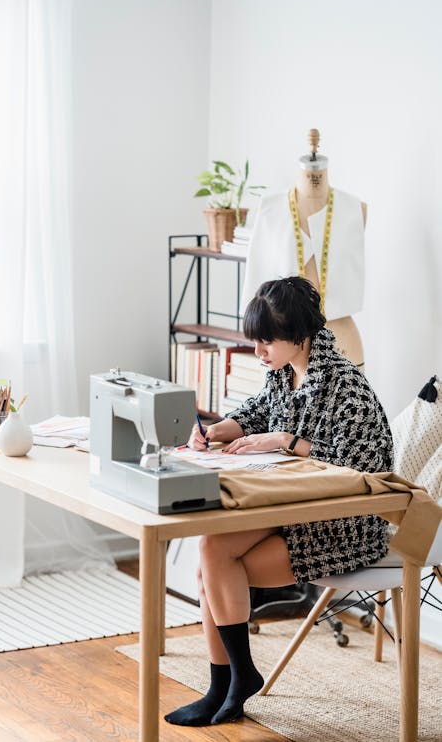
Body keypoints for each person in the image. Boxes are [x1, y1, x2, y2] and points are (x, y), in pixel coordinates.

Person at [164, 276, 393, 727]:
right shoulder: (284, 371)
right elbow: (257, 411)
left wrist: (289, 440)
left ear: (299, 335)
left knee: (216, 562)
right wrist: (220, 429)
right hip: (291, 507)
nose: (259, 351)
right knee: (212, 548)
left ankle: (232, 681)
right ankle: (226, 683)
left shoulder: (345, 384)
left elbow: (369, 462)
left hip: (341, 522)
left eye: (267, 341)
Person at [241, 130, 367, 368]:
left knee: (348, 402)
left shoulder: (354, 208)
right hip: (286, 340)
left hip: (341, 338)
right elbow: (256, 279)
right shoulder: (270, 209)